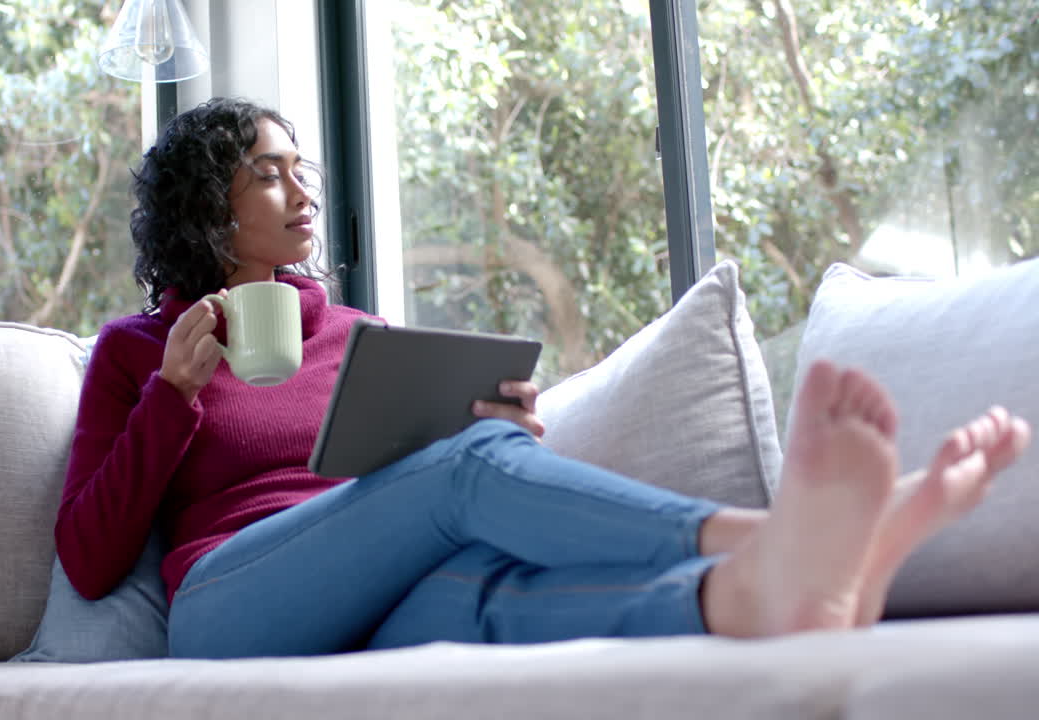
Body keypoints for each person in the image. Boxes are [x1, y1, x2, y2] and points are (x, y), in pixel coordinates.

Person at [54, 97, 1032, 659]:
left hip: (379, 591)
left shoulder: (355, 329)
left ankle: (760, 592)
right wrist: (171, 396)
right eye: (268, 173)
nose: (303, 190)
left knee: (495, 593)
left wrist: (477, 427)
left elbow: (388, 488)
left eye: (303, 167)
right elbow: (91, 557)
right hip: (233, 605)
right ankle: (779, 534)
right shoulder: (140, 350)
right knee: (464, 470)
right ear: (204, 205)